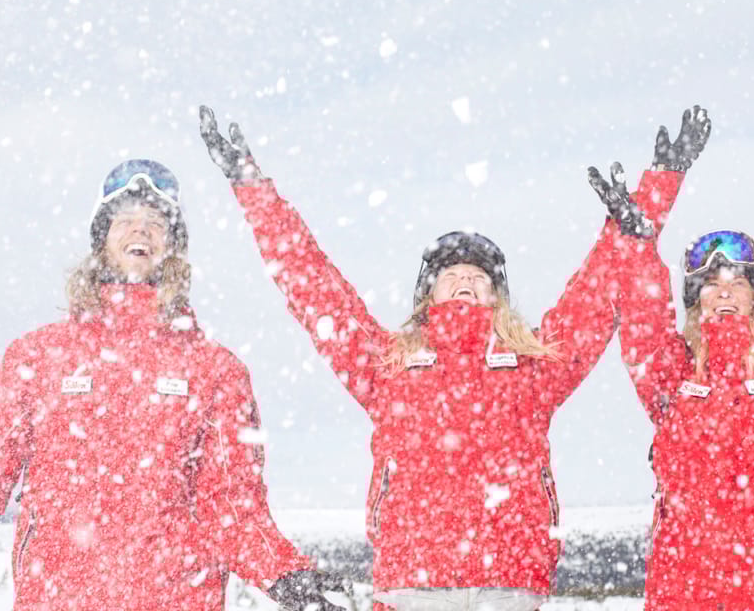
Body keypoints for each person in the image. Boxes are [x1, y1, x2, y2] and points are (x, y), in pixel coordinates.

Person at [196, 105, 711, 611]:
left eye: (478, 277)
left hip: (510, 585)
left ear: (496, 298)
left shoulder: (533, 368)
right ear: (429, 296)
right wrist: (253, 189)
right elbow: (315, 288)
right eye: (451, 275)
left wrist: (658, 185)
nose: (465, 279)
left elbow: (598, 289)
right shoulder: (389, 365)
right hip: (410, 584)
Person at [0, 159, 342, 610]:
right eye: (125, 219)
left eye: (156, 221)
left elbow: (232, 507)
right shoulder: (38, 357)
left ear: (173, 247)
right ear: (101, 239)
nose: (141, 229)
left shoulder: (216, 370)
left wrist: (285, 574)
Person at [587, 133, 754, 610]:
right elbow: (643, 322)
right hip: (684, 593)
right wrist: (639, 244)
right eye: (710, 284)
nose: (724, 292)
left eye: (738, 282)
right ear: (695, 300)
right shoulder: (672, 378)